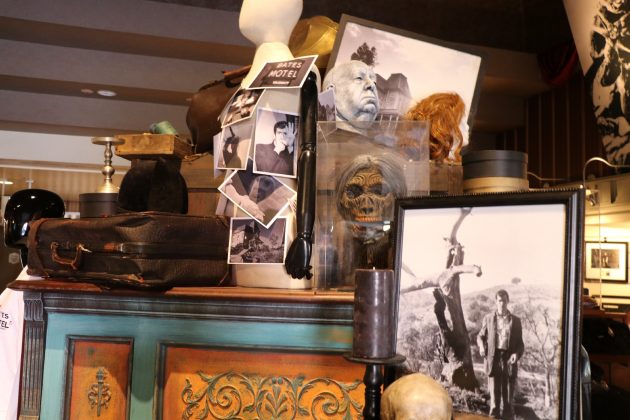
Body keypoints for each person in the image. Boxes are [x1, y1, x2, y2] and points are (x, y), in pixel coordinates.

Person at [476, 289, 524, 419]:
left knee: (508, 400)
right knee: (494, 401)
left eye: (504, 301)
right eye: (499, 301)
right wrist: (481, 346)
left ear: (508, 301)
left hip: (508, 360)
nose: (501, 303)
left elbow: (520, 344)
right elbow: (480, 336)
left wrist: (516, 354)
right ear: (496, 302)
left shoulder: (516, 321)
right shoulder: (488, 319)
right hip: (493, 359)